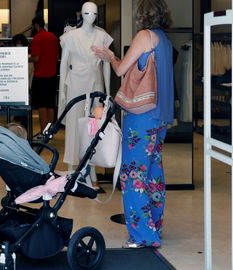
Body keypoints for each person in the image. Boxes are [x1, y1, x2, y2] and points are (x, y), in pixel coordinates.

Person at [92, 0, 174, 248]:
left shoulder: (145, 36)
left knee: (134, 176)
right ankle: (155, 226)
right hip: (160, 118)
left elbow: (121, 70)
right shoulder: (165, 41)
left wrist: (110, 56)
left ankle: (143, 236)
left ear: (142, 16)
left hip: (142, 116)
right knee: (153, 175)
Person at [58, 2, 113, 189]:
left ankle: (92, 171)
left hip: (95, 86)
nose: (91, 16)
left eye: (94, 13)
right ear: (82, 14)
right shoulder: (70, 37)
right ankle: (72, 168)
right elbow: (63, 64)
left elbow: (106, 64)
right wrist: (63, 92)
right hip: (75, 86)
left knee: (93, 127)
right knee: (74, 126)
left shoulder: (102, 35)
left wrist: (107, 92)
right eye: (88, 13)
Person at [29, 16, 59, 136]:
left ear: (36, 25)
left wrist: (27, 59)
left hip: (40, 76)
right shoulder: (53, 37)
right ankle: (50, 131)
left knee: (42, 104)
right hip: (52, 75)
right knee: (50, 104)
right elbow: (56, 56)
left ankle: (43, 131)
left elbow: (36, 58)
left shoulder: (37, 38)